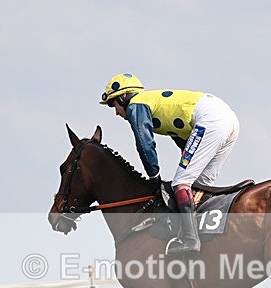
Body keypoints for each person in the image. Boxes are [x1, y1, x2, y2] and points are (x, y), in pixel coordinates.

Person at [99, 73, 240, 256]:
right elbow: (183, 141)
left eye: (113, 104)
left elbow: (144, 143)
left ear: (123, 97)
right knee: (199, 185)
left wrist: (154, 177)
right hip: (228, 121)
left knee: (180, 183)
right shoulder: (155, 103)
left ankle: (190, 239)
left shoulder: (136, 105)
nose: (116, 112)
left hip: (211, 120)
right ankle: (206, 235)